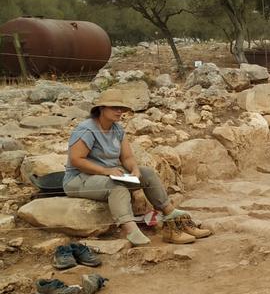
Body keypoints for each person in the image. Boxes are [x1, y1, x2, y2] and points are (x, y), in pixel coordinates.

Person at [63, 89, 210, 246]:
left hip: (107, 175)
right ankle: (131, 230)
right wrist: (106, 171)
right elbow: (77, 160)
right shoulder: (87, 129)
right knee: (116, 187)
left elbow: (126, 157)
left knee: (147, 173)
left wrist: (134, 169)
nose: (119, 111)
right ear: (101, 108)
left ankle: (173, 217)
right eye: (114, 108)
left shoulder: (117, 129)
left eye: (121, 108)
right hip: (79, 179)